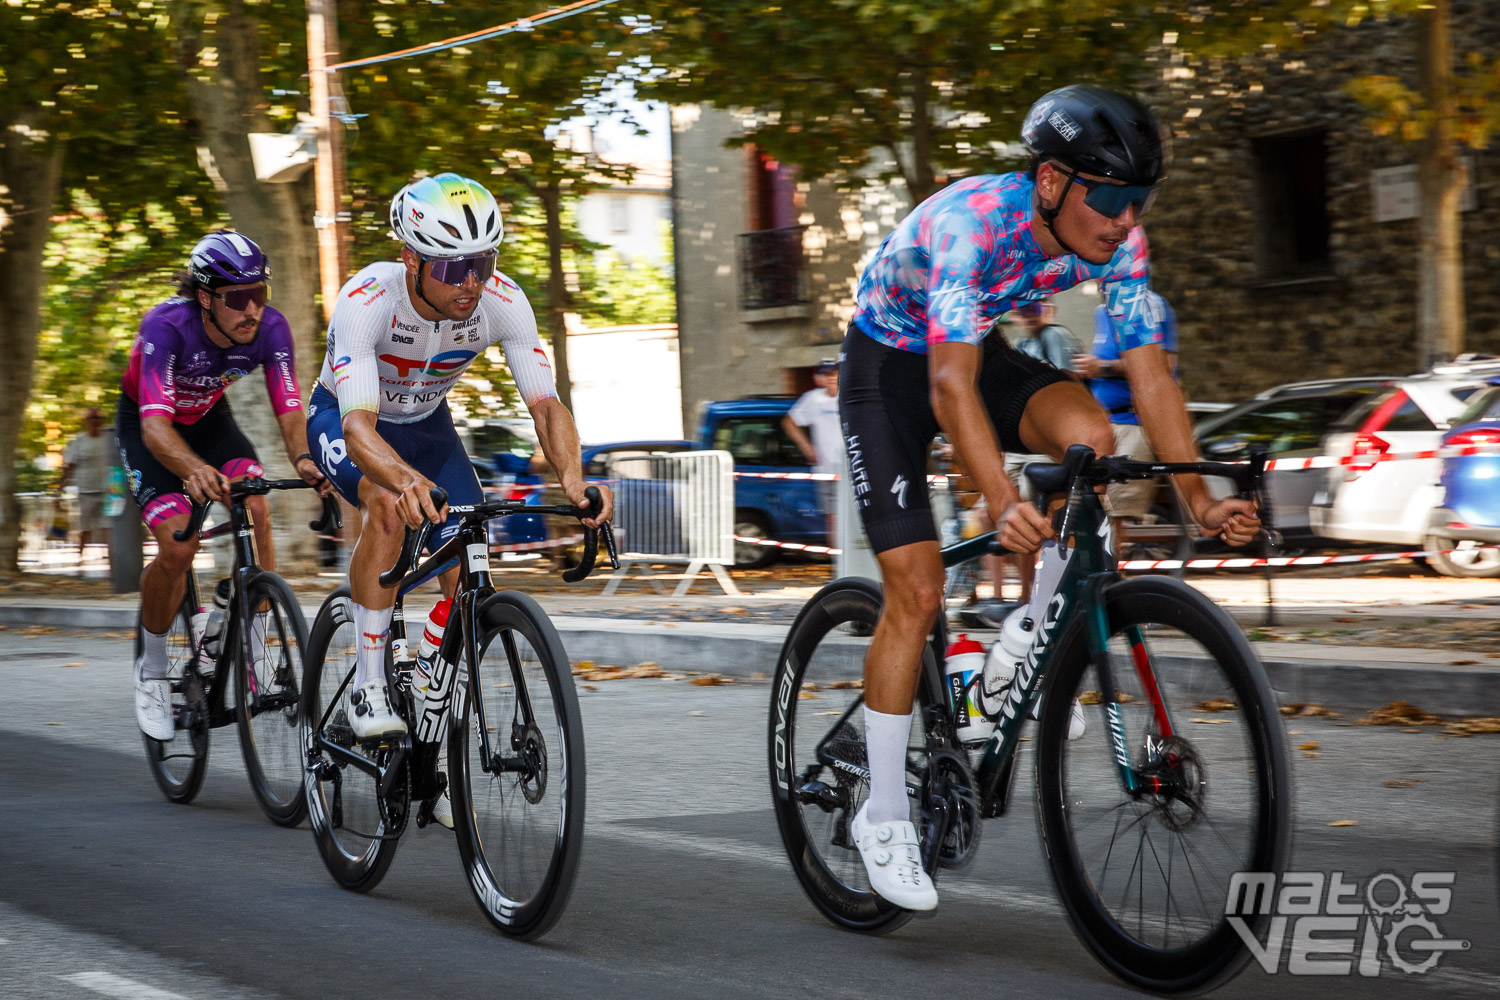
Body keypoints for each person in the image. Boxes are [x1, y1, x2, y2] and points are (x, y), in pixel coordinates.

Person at [839, 84, 1260, 912]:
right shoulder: (970, 225)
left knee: (1090, 440)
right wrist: (1001, 499)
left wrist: (1200, 497)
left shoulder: (1119, 242)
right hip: (888, 369)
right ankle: (881, 814)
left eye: (1139, 201)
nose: (1124, 220)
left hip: (973, 350)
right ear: (1050, 181)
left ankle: (1023, 640)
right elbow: (947, 386)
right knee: (916, 591)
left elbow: (1151, 377)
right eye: (1109, 198)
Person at [308, 171, 613, 825]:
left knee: (469, 573)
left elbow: (545, 404)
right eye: (453, 267)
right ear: (411, 259)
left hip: (429, 429)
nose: (471, 282)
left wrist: (574, 480)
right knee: (387, 508)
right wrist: (403, 480)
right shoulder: (368, 299)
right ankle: (368, 685)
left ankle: (434, 727)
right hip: (347, 420)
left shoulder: (502, 301)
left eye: (483, 262)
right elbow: (359, 428)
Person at [119, 231, 330, 742]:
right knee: (178, 546)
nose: (252, 308)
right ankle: (152, 670)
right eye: (238, 298)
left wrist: (305, 458)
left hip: (210, 423)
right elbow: (156, 429)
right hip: (151, 428)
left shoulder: (270, 328)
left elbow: (289, 407)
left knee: (256, 502)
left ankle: (256, 639)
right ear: (206, 297)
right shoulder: (166, 327)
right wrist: (192, 468)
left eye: (259, 293)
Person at [1074, 289, 1179, 527]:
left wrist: (1103, 368)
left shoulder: (1147, 304)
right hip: (1107, 425)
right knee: (1094, 509)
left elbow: (1163, 366)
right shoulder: (1101, 312)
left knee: (1117, 516)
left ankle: (1123, 550)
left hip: (1135, 423)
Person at [782, 358, 842, 543]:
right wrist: (807, 448)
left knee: (856, 518)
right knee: (833, 519)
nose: (830, 378)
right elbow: (789, 422)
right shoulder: (813, 399)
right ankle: (838, 558)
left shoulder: (848, 396)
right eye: (825, 374)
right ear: (818, 378)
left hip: (851, 471)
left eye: (834, 373)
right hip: (827, 472)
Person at [61, 407, 113, 564]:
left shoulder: (109, 439)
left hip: (108, 491)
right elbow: (70, 465)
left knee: (108, 527)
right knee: (86, 528)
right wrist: (60, 488)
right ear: (87, 421)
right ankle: (80, 559)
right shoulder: (79, 440)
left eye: (98, 418)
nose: (95, 421)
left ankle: (112, 560)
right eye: (92, 418)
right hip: (86, 491)